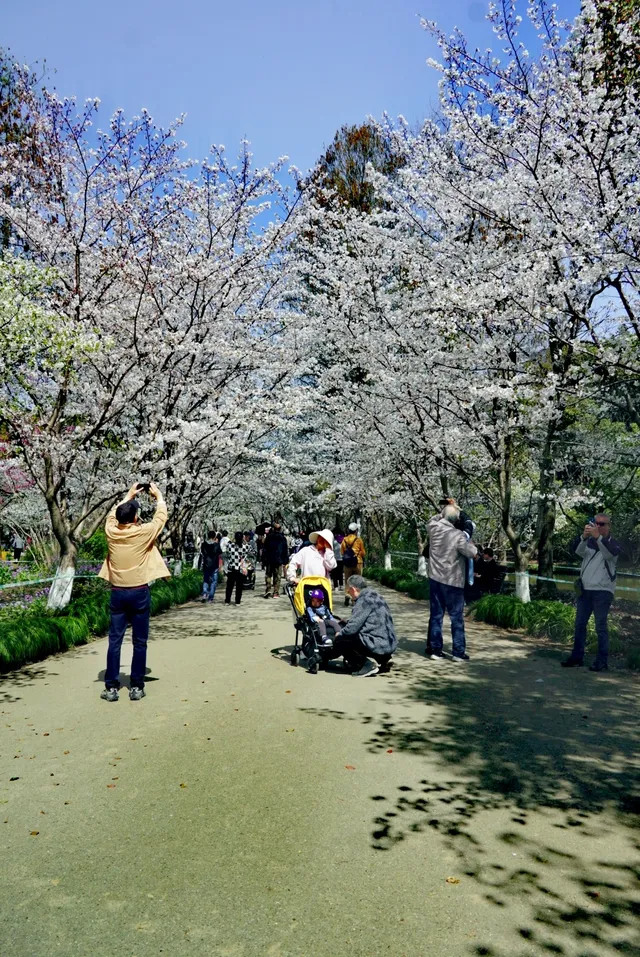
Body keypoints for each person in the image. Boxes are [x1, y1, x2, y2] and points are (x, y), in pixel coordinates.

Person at [98, 481, 170, 702]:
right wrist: (158, 496)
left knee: (115, 640)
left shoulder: (111, 531)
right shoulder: (143, 533)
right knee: (140, 641)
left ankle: (111, 687)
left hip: (118, 592)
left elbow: (111, 515)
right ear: (136, 518)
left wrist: (128, 496)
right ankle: (136, 686)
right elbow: (161, 517)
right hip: (139, 592)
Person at [561, 514, 621, 672]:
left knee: (600, 626)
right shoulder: (589, 543)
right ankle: (576, 658)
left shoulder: (612, 544)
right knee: (579, 625)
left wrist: (598, 538)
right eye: (596, 523)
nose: (598, 526)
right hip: (585, 591)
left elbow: (609, 554)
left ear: (609, 526)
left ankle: (602, 661)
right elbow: (578, 552)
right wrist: (583, 537)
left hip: (602, 592)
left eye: (602, 524)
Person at [425, 501, 477, 662]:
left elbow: (434, 518)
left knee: (436, 616)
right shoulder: (457, 536)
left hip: (435, 579)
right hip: (453, 582)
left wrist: (445, 510)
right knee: (456, 618)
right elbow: (472, 552)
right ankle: (458, 652)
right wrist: (466, 522)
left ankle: (435, 650)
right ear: (456, 521)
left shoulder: (433, 528)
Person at [332, 575, 398, 677]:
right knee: (362, 633)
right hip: (389, 642)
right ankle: (384, 659)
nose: (348, 593)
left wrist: (339, 634)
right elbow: (369, 618)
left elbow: (351, 629)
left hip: (376, 643)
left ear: (353, 589)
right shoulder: (375, 595)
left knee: (341, 640)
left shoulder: (363, 600)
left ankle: (366, 665)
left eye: (348, 591)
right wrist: (349, 621)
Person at [263, 521, 289, 598]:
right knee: (277, 576)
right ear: (280, 529)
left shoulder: (269, 537)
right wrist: (286, 561)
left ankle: (268, 590)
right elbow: (285, 550)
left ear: (273, 529)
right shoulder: (283, 538)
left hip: (269, 559)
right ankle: (276, 592)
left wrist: (263, 559)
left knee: (268, 575)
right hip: (279, 560)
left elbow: (265, 549)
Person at [341, 523, 366, 605]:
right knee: (357, 581)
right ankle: (354, 599)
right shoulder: (359, 540)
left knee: (348, 581)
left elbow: (342, 552)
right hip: (358, 563)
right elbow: (363, 552)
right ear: (356, 531)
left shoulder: (344, 540)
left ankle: (347, 594)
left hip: (347, 563)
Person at [225, 531, 249, 605]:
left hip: (232, 568)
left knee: (229, 586)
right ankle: (237, 601)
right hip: (240, 569)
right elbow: (249, 547)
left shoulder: (230, 546)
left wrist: (233, 539)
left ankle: (227, 601)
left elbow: (228, 544)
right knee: (239, 586)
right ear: (242, 538)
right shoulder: (245, 547)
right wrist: (244, 540)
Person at [200, 530, 222, 603]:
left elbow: (202, 553)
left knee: (205, 580)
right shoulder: (217, 545)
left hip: (206, 565)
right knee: (213, 582)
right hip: (214, 565)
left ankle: (205, 594)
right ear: (214, 536)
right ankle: (210, 598)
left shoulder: (203, 544)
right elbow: (220, 553)